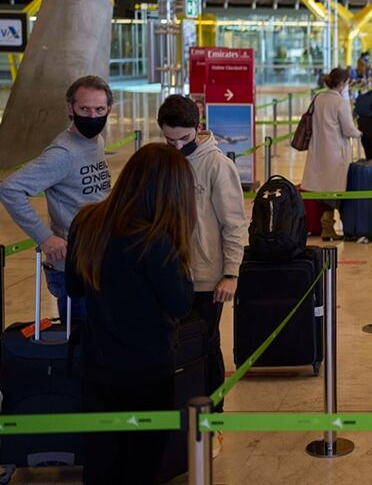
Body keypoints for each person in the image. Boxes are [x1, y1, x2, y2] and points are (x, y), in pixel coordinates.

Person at [65, 143, 195, 485]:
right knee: (142, 464)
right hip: (147, 372)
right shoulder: (156, 239)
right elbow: (181, 304)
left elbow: (74, 288)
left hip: (97, 366)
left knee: (102, 463)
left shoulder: (86, 222)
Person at [156, 96, 245, 443]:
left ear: (198, 127)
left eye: (183, 139)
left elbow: (235, 224)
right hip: (170, 273)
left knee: (206, 347)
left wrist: (231, 273)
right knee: (173, 347)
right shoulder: (164, 160)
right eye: (169, 139)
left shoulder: (217, 165)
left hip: (208, 278)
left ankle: (213, 417)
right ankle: (181, 413)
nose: (177, 146)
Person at [0, 75, 113, 323]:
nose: (92, 116)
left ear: (109, 109)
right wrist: (45, 237)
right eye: (84, 108)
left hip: (98, 260)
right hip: (72, 269)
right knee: (80, 345)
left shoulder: (97, 141)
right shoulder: (62, 153)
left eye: (99, 109)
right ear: (70, 108)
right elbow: (10, 189)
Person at [302, 68, 362, 240]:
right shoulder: (340, 103)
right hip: (335, 152)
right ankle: (328, 226)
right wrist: (359, 133)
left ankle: (327, 226)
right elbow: (348, 129)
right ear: (342, 83)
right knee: (335, 190)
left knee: (323, 189)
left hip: (318, 150)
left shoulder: (318, 98)